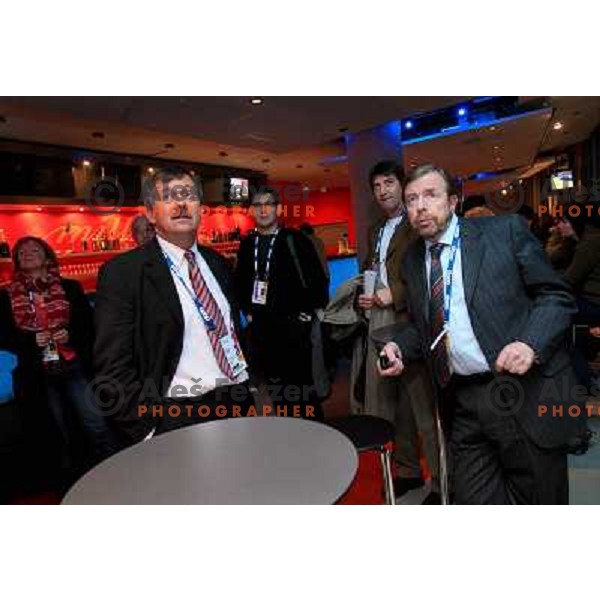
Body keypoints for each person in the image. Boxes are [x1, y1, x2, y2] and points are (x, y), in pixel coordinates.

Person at [378, 164, 583, 504]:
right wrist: (400, 345)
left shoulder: (504, 231)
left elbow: (556, 296)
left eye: (431, 195)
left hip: (522, 393)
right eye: (411, 199)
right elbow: (425, 323)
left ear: (453, 201)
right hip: (463, 402)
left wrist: (530, 343)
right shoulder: (413, 260)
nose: (420, 207)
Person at [94, 167, 253, 446]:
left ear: (201, 209)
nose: (181, 204)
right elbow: (112, 366)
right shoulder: (124, 273)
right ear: (151, 213)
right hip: (177, 415)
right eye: (168, 197)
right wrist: (148, 429)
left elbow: (230, 331)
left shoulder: (217, 263)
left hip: (235, 402)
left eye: (189, 196)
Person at [0, 237, 116, 493]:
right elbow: (4, 336)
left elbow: (88, 326)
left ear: (48, 258)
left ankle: (114, 471)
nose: (28, 253)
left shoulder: (70, 288)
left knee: (94, 421)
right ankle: (70, 486)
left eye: (34, 249)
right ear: (17, 261)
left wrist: (69, 334)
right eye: (22, 252)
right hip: (35, 373)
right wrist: (30, 340)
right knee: (55, 430)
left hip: (71, 365)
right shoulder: (6, 296)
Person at [358, 160, 439, 502]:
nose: (382, 191)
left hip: (411, 320)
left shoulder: (417, 222)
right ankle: (406, 470)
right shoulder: (376, 229)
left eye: (388, 183)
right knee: (396, 405)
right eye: (376, 186)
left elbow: (427, 270)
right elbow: (373, 267)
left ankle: (438, 481)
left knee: (423, 408)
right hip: (381, 320)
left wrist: (395, 294)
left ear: (402, 186)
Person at [235, 187, 329, 419]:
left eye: (268, 204)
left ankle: (316, 440)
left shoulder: (294, 240)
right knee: (276, 393)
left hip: (293, 329)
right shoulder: (248, 244)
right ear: (251, 211)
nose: (263, 209)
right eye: (257, 205)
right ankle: (289, 441)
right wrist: (247, 311)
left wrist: (306, 313)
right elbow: (240, 282)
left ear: (278, 209)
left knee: (302, 391)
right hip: (261, 331)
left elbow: (318, 279)